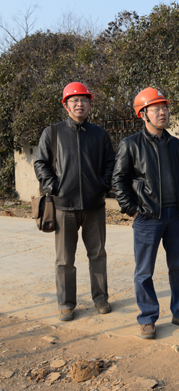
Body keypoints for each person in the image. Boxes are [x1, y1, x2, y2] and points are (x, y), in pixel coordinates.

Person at [112, 87, 179, 339]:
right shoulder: (130, 144)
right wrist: (132, 210)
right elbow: (118, 181)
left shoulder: (176, 145)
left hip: (176, 217)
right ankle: (148, 317)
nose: (163, 113)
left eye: (164, 108)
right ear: (143, 114)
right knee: (144, 271)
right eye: (156, 109)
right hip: (147, 218)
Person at [34, 82, 115, 322]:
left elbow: (110, 163)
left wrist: (102, 185)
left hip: (94, 206)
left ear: (90, 104)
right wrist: (54, 187)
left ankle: (100, 298)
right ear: (66, 105)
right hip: (64, 207)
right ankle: (66, 303)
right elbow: (41, 163)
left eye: (84, 100)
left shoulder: (99, 134)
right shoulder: (53, 133)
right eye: (75, 100)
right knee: (64, 260)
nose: (80, 104)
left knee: (97, 254)